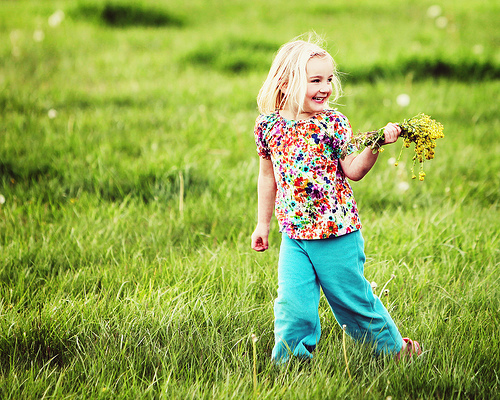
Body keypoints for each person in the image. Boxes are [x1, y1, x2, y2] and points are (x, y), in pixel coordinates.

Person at [251, 35, 421, 364]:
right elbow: (267, 176)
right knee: (292, 305)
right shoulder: (268, 126)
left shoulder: (333, 124)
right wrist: (262, 224)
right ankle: (290, 363)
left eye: (329, 79)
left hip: (336, 233)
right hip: (293, 235)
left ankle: (394, 351)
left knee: (352, 302)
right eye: (315, 80)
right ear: (286, 83)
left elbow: (353, 170)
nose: (325, 87)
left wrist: (375, 145)